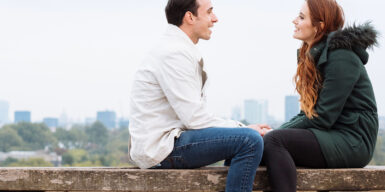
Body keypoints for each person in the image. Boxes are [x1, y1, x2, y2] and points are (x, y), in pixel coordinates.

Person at [128, 0, 264, 191]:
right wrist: (242, 128)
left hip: (167, 143)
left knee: (243, 139)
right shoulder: (173, 53)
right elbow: (194, 118)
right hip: (162, 149)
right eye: (209, 12)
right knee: (249, 140)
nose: (215, 19)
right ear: (190, 17)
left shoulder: (178, 48)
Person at [261, 0, 379, 191]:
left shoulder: (341, 56)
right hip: (331, 133)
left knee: (274, 141)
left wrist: (274, 134)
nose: (294, 21)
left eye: (301, 17)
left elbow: (323, 116)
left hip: (353, 140)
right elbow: (307, 113)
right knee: (253, 144)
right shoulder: (314, 56)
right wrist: (275, 131)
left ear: (319, 26)